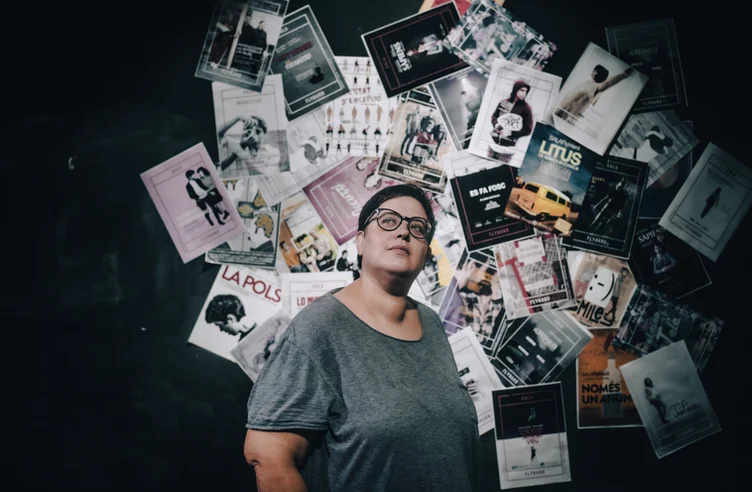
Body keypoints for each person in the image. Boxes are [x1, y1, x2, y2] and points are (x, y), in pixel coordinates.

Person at [243, 184, 480, 491]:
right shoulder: (320, 326)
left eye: (418, 227)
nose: (404, 232)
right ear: (360, 241)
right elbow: (268, 456)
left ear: (425, 253)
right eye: (388, 220)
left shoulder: (432, 323)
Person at [554, 65, 635, 124]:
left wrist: (623, 75)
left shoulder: (596, 87)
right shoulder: (588, 84)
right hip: (563, 113)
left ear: (595, 72)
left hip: (566, 118)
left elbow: (609, 83)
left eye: (593, 70)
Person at [491, 80, 534, 148]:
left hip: (509, 144)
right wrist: (496, 124)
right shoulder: (504, 102)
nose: (524, 93)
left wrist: (510, 132)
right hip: (493, 139)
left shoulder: (526, 108)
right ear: (516, 89)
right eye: (522, 90)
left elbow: (527, 130)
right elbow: (494, 116)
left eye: (526, 91)